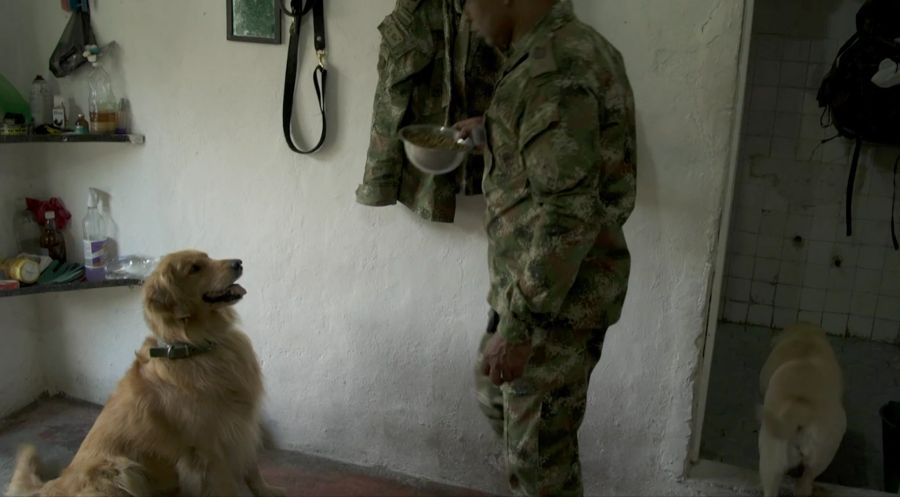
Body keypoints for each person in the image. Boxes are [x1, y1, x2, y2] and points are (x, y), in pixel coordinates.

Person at [456, 0, 636, 495]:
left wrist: (520, 328)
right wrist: (491, 132)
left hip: (554, 303)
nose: (466, 12)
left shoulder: (555, 70)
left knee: (539, 468)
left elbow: (566, 217)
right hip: (537, 289)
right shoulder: (551, 52)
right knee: (499, 401)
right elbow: (560, 165)